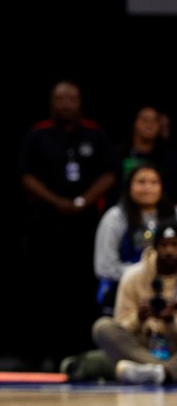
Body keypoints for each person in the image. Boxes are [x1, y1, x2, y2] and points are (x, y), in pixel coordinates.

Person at [19, 80, 117, 368]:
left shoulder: (95, 135)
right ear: (51, 104)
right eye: (60, 99)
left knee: (81, 293)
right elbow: (25, 176)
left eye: (71, 99)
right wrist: (57, 202)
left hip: (85, 229)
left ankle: (77, 355)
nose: (65, 105)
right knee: (42, 293)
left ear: (80, 103)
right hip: (45, 228)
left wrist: (83, 201)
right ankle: (36, 358)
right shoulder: (37, 136)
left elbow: (110, 173)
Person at [92, 220, 177, 385]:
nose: (169, 251)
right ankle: (164, 371)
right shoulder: (133, 276)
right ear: (155, 247)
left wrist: (170, 320)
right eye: (164, 245)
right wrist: (138, 318)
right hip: (140, 347)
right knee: (102, 327)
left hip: (174, 348)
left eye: (175, 245)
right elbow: (121, 326)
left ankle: (151, 372)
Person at [94, 163, 175, 315]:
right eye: (141, 182)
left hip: (170, 288)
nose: (147, 188)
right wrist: (142, 276)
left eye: (153, 182)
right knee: (103, 329)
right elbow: (104, 267)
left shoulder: (174, 214)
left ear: (162, 187)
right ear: (129, 186)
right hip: (125, 288)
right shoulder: (115, 217)